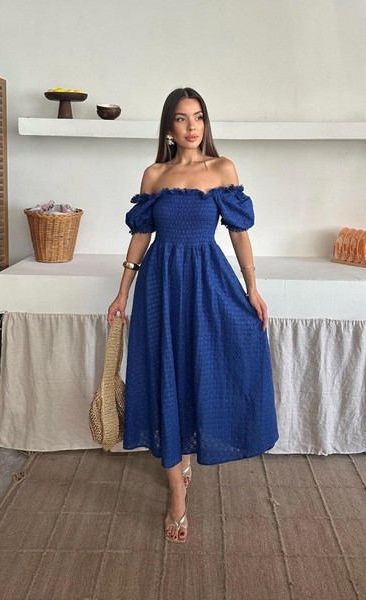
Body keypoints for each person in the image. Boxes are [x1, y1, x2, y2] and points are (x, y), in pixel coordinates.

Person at [107, 87, 278, 543]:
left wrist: (253, 289)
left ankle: (187, 458)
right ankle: (176, 493)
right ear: (169, 127)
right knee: (166, 372)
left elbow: (239, 234)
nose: (192, 126)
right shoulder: (155, 174)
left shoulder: (222, 169)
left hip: (207, 281)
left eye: (198, 117)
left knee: (202, 366)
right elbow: (140, 237)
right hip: (160, 286)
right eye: (182, 118)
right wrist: (122, 292)